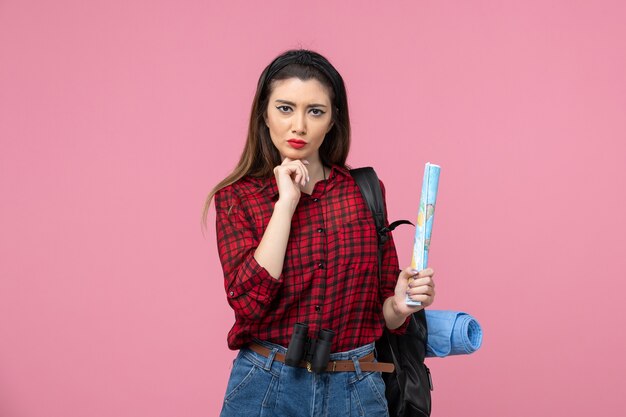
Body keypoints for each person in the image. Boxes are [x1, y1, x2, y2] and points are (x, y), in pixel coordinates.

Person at [203, 49, 435, 417]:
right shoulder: (237, 198)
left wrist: (403, 302)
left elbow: (384, 313)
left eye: (315, 111)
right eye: (285, 108)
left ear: (331, 121)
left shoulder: (363, 191)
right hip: (266, 384)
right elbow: (248, 303)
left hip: (356, 387)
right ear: (263, 114)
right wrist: (286, 204)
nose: (299, 125)